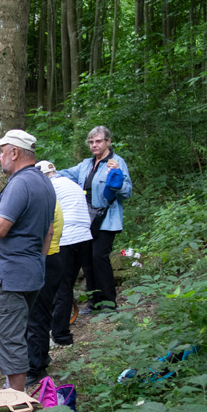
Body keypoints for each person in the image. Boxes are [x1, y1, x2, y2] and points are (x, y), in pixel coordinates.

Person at [0, 129, 55, 393]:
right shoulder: (44, 181)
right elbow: (48, 231)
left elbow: (0, 227)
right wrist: (36, 260)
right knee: (2, 332)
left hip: (10, 277)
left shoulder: (21, 183)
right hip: (27, 272)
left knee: (8, 336)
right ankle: (13, 391)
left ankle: (16, 399)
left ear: (14, 153)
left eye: (2, 152)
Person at [57, 126, 132, 311]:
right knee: (87, 261)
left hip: (107, 219)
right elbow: (65, 174)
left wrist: (117, 179)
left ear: (108, 142)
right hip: (86, 219)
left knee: (99, 257)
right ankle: (94, 302)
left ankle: (108, 302)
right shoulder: (85, 165)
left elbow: (127, 192)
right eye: (91, 142)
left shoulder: (117, 162)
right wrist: (45, 171)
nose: (94, 145)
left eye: (98, 141)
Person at [36, 161, 92, 347]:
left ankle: (60, 335)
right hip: (85, 237)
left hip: (68, 237)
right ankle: (60, 332)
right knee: (66, 286)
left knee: (61, 288)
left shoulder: (49, 187)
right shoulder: (71, 183)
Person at [25, 189, 64, 381]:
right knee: (39, 315)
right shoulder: (51, 201)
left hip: (45, 260)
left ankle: (36, 368)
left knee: (36, 317)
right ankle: (40, 357)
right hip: (50, 259)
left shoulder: (45, 203)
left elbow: (44, 233)